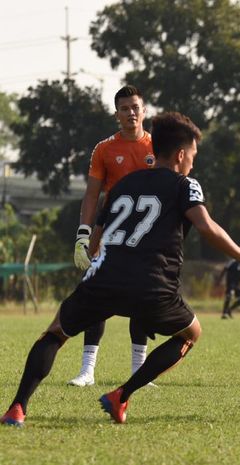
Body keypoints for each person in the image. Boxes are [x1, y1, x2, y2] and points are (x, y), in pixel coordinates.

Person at [0, 112, 240, 427]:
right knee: (191, 333)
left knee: (56, 333)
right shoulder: (186, 184)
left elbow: (99, 232)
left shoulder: (125, 183)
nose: (193, 163)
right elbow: (206, 227)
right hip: (153, 286)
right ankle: (121, 395)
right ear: (181, 155)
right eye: (193, 156)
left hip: (105, 278)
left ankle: (17, 407)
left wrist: (91, 264)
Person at [69, 85, 155, 387]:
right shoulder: (104, 149)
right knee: (97, 296)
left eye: (135, 107)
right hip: (110, 236)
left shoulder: (158, 148)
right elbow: (92, 195)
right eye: (124, 108)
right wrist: (84, 235)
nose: (131, 113)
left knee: (144, 299)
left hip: (147, 239)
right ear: (116, 114)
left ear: (144, 110)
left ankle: (138, 371)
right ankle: (87, 370)